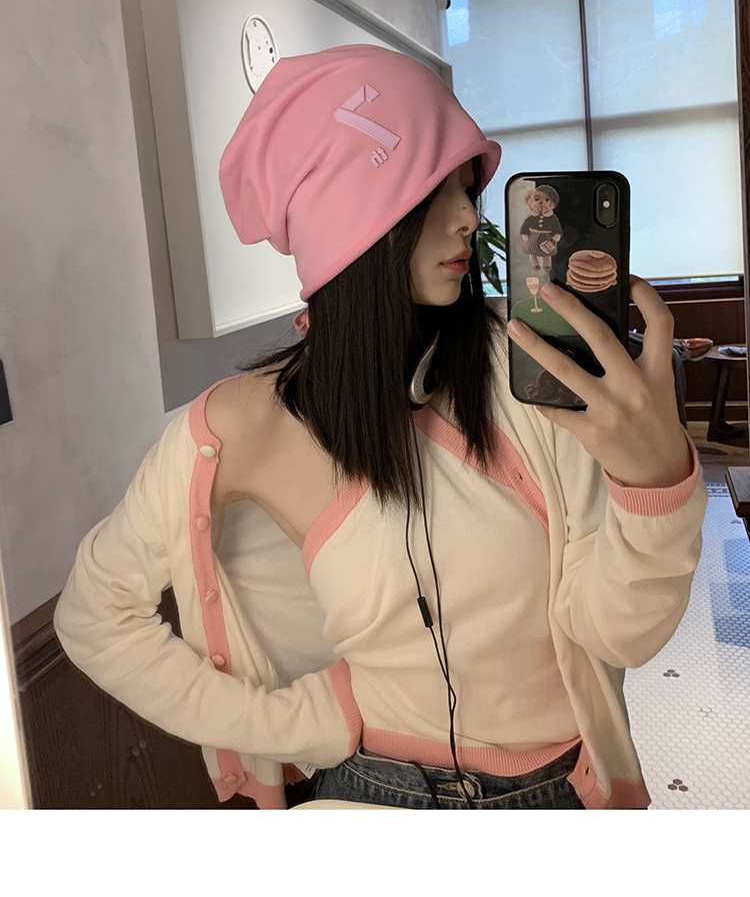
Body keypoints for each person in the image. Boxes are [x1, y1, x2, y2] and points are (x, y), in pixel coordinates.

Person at [54, 44, 707, 810]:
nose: (470, 217)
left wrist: (652, 485)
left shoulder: (524, 363)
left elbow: (618, 634)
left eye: (467, 185)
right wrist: (292, 723)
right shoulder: (244, 423)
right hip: (366, 795)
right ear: (350, 218)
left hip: (554, 793)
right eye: (436, 189)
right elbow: (94, 615)